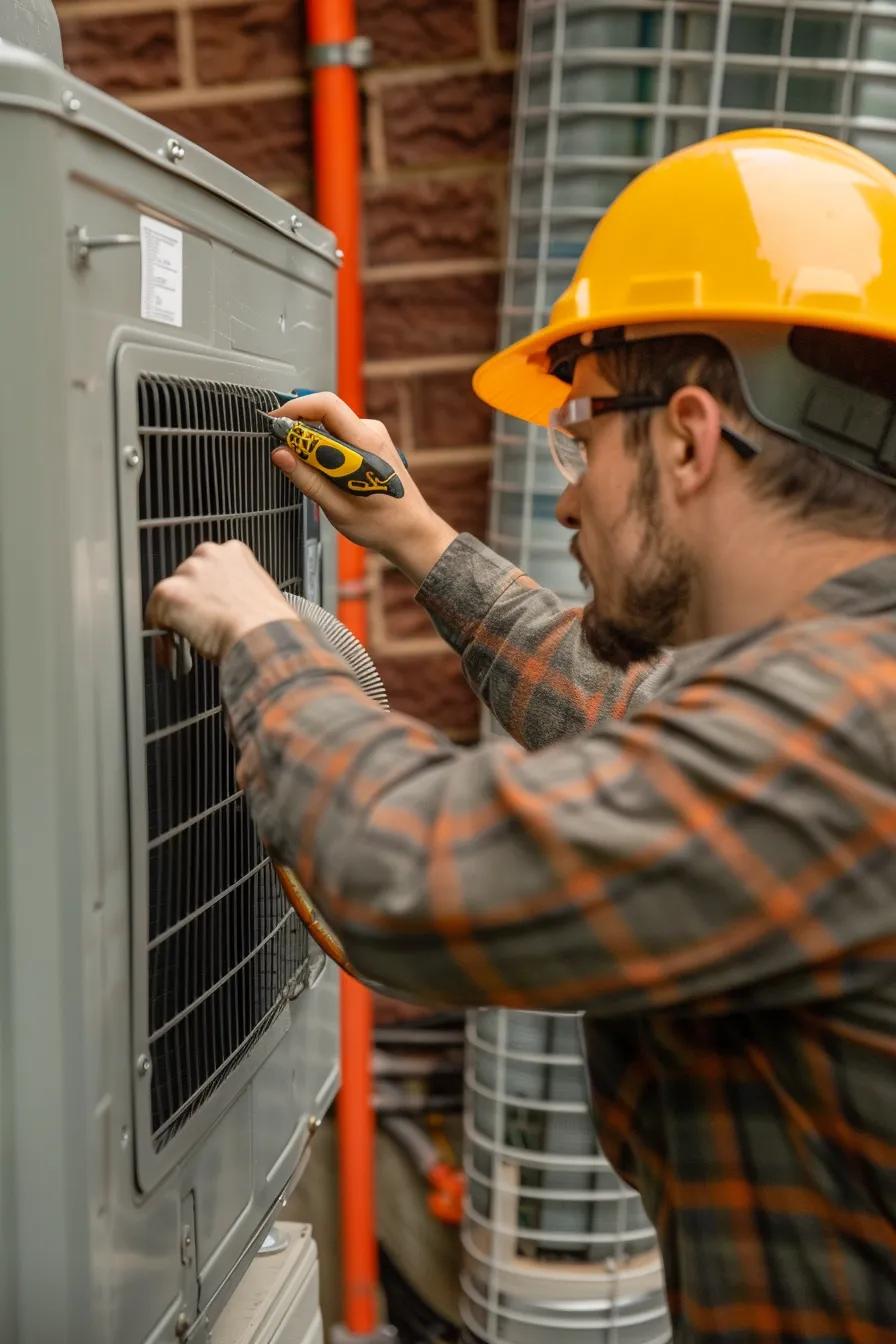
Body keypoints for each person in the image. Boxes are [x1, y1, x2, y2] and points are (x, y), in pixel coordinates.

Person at [146, 129, 896, 1340]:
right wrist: (416, 540)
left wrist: (265, 642)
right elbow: (632, 728)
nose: (563, 493)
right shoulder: (841, 684)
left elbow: (414, 872)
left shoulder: (846, 725)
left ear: (688, 439)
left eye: (579, 438)